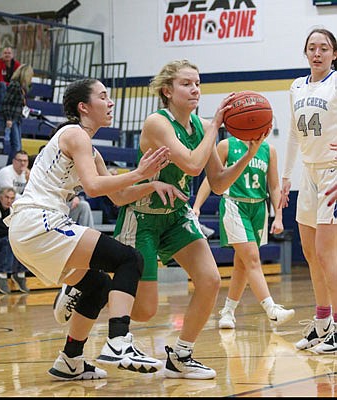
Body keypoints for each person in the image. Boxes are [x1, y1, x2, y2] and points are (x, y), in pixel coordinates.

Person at [53, 60, 268, 380]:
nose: (195, 88)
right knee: (144, 311)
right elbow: (193, 166)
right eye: (186, 83)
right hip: (143, 216)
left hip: (176, 215)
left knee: (210, 280)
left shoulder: (199, 126)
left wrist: (250, 152)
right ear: (168, 90)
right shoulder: (158, 122)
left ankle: (181, 355)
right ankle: (86, 285)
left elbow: (219, 183)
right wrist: (215, 126)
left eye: (198, 82)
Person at [6, 77, 188, 381]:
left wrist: (150, 183)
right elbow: (92, 187)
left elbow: (116, 197)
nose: (111, 102)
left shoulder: (90, 150)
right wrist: (139, 173)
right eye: (103, 97)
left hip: (31, 231)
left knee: (99, 285)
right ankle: (119, 342)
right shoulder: (75, 134)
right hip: (39, 221)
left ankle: (70, 360)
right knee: (129, 259)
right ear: (83, 107)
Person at [192, 136, 295, 330]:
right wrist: (197, 206)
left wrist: (278, 217)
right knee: (252, 259)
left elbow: (273, 186)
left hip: (258, 209)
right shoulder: (226, 146)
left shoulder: (269, 149)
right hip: (234, 205)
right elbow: (211, 179)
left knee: (242, 264)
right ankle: (271, 309)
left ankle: (228, 311)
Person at [280, 28, 337, 353]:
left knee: (328, 255)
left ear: (334, 54)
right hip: (308, 172)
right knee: (311, 253)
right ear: (306, 52)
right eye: (312, 48)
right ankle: (322, 322)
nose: (317, 53)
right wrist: (286, 177)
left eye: (324, 48)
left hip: (333, 172)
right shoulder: (296, 86)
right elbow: (291, 134)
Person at [0, 187, 29, 294]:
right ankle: (2, 275)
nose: (9, 200)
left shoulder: (10, 209)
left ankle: (20, 274)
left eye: (12, 198)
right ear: (0, 197)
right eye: (7, 197)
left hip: (1, 239)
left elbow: (14, 228)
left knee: (22, 239)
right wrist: (15, 232)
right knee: (9, 240)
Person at [0, 63, 34, 165]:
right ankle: (10, 168)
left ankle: (11, 167)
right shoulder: (15, 85)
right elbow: (6, 103)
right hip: (12, 119)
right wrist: (9, 119)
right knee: (16, 147)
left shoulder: (21, 87)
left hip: (17, 119)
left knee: (17, 146)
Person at [0, 46, 21, 131]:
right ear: (2, 54)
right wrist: (8, 84)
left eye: (9, 53)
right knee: (2, 85)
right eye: (5, 53)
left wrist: (9, 85)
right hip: (0, 88)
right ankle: (2, 111)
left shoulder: (16, 65)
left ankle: (12, 115)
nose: (7, 55)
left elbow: (18, 79)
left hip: (11, 89)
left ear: (12, 55)